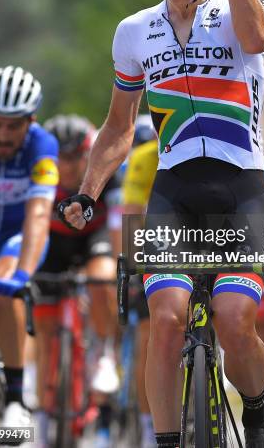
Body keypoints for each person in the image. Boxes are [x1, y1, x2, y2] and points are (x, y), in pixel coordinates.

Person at [59, 0, 264, 447]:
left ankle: (256, 413)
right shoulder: (134, 33)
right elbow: (117, 127)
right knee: (166, 321)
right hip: (174, 191)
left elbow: (258, 40)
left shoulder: (238, 8)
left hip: (238, 187)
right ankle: (166, 442)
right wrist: (87, 190)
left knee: (233, 320)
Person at [0, 65, 59, 427]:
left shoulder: (42, 145)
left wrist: (22, 274)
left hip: (16, 240)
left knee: (4, 291)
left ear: (31, 121)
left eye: (14, 125)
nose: (3, 135)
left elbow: (38, 214)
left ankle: (16, 401)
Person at [33, 114, 121, 448]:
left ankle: (104, 355)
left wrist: (121, 265)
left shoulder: (106, 176)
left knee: (103, 279)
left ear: (89, 152)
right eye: (61, 157)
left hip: (92, 240)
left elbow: (116, 229)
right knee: (43, 335)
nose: (69, 166)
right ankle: (42, 418)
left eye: (76, 156)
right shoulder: (42, 177)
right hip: (52, 244)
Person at [121, 116, 158, 448]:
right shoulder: (144, 158)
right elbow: (132, 218)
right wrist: (134, 269)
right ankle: (150, 428)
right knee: (149, 338)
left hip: (205, 238)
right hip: (157, 248)